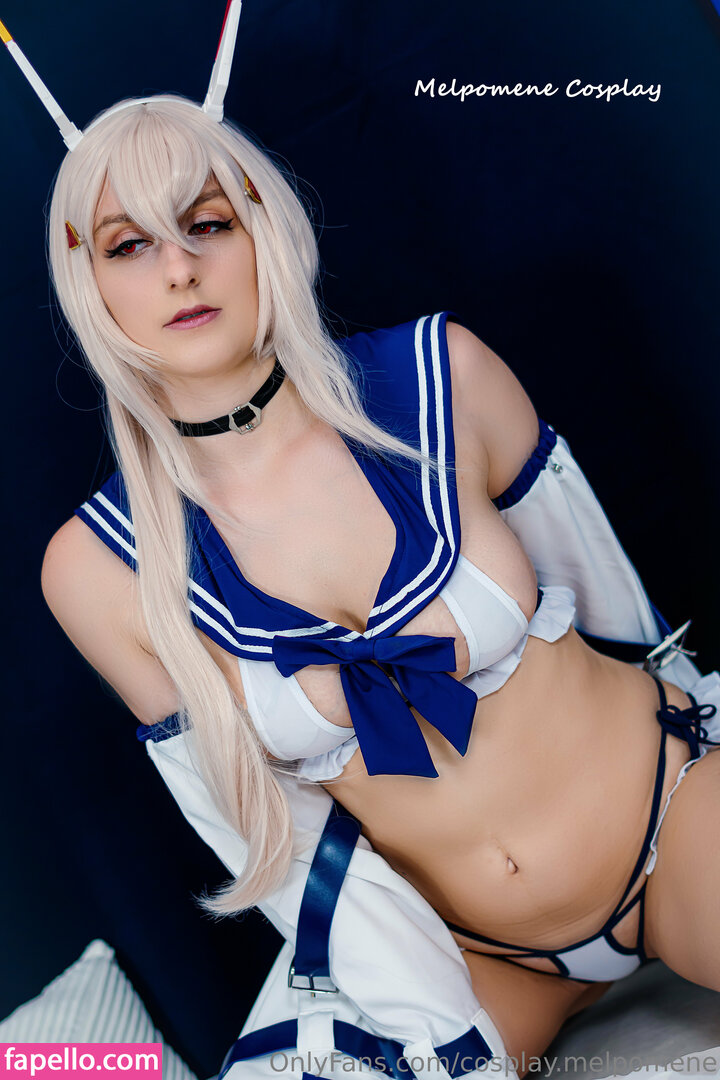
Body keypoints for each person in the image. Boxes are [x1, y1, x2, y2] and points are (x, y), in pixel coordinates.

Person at [36, 91, 720, 1080]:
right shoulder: (100, 568)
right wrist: (447, 1039)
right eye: (129, 245)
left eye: (207, 224)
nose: (179, 268)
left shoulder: (443, 374)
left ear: (262, 225)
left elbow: (604, 591)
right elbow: (277, 843)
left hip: (673, 816)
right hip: (475, 951)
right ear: (86, 277)